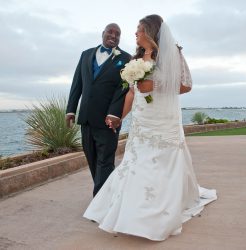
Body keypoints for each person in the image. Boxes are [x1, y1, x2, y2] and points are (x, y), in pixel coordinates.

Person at [83, 15, 217, 241]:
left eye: (139, 29)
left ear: (150, 32)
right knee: (136, 164)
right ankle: (128, 211)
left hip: (163, 120)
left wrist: (154, 84)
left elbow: (186, 85)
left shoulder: (171, 52)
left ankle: (153, 214)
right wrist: (120, 117)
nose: (135, 33)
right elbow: (132, 92)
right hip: (142, 122)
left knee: (159, 165)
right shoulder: (136, 57)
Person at [66, 23, 131, 197]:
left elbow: (122, 89)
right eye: (110, 32)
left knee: (105, 161)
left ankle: (100, 201)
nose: (114, 36)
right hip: (86, 118)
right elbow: (77, 83)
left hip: (108, 120)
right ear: (102, 34)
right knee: (92, 158)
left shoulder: (126, 59)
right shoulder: (86, 54)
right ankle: (106, 193)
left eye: (118, 34)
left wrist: (114, 113)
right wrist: (70, 110)